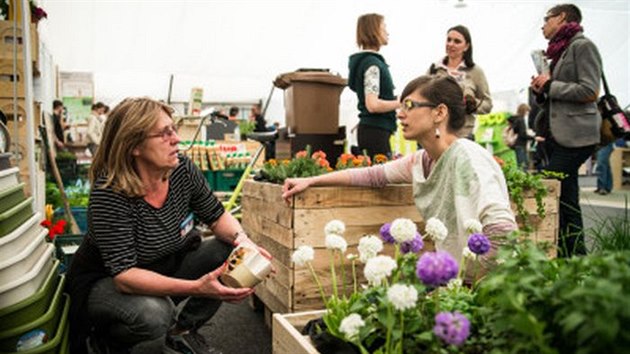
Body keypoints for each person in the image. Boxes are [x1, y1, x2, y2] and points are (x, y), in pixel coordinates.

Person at [65, 97, 272, 353]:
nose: (176, 139)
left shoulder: (181, 170)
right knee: (154, 313)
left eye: (173, 129)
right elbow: (125, 277)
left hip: (162, 264)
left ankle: (182, 330)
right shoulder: (112, 192)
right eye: (164, 134)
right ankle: (110, 342)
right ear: (134, 146)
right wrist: (199, 289)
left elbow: (217, 217)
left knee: (227, 250)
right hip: (106, 282)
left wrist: (244, 241)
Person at [283, 75, 516, 270]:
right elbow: (373, 175)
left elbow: (503, 232)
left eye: (409, 106)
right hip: (457, 287)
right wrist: (312, 180)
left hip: (484, 292)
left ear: (439, 112)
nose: (400, 113)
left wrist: (475, 283)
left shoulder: (467, 158)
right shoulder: (422, 161)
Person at [530, 3, 602, 257]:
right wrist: (542, 90)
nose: (543, 25)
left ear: (561, 18)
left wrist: (552, 85)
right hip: (558, 136)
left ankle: (563, 252)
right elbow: (556, 93)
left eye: (546, 19)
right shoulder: (559, 51)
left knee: (549, 183)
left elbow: (590, 90)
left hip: (577, 136)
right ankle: (572, 254)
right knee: (567, 198)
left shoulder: (583, 47)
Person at [348, 13, 400, 159]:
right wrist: (400, 102)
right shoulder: (373, 65)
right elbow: (372, 104)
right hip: (376, 132)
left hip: (371, 131)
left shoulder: (363, 62)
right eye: (384, 28)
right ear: (374, 31)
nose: (387, 33)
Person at [428, 25, 492, 138]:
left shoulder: (475, 72)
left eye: (457, 41)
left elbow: (487, 104)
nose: (451, 44)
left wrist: (471, 104)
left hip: (463, 135)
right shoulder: (434, 69)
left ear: (466, 46)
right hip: (437, 135)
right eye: (449, 40)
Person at [508, 103, 531, 171]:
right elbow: (522, 134)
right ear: (524, 111)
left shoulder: (515, 119)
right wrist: (533, 137)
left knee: (520, 164)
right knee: (523, 165)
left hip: (517, 144)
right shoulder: (521, 120)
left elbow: (516, 131)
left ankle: (521, 178)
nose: (528, 113)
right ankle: (524, 180)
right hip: (521, 144)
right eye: (527, 111)